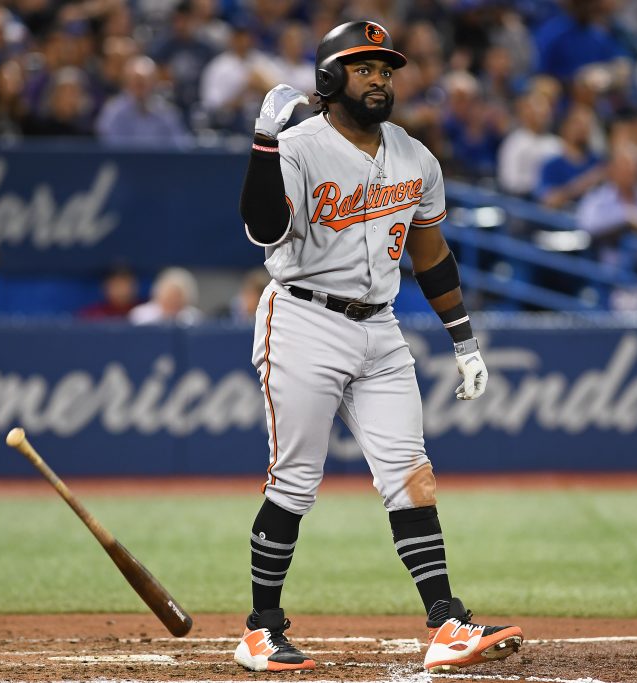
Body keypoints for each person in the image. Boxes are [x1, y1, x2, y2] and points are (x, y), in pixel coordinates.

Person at [234, 20, 521, 675]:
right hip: (303, 320)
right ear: (332, 77)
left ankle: (447, 620)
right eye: (365, 68)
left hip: (380, 328)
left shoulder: (414, 156)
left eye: (387, 69)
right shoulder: (300, 144)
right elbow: (263, 228)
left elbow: (432, 257)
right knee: (295, 480)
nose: (380, 79)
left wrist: (465, 341)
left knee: (410, 474)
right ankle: (260, 629)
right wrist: (263, 141)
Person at [95, 55, 192, 147]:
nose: (140, 87)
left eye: (144, 83)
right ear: (126, 82)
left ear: (154, 83)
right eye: (136, 82)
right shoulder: (113, 112)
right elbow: (107, 145)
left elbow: (180, 146)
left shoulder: (167, 113)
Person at [129, 266, 203, 325]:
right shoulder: (141, 315)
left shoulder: (194, 318)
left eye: (177, 297)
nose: (173, 301)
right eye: (169, 296)